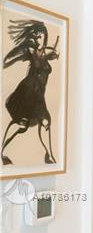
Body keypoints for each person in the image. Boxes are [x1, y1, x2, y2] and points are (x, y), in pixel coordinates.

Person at [2, 18, 60, 166]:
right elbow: (7, 60)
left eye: (40, 36)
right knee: (23, 124)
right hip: (28, 92)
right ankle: (2, 153)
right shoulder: (30, 50)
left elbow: (50, 54)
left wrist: (53, 53)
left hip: (38, 95)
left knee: (44, 122)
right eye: (35, 36)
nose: (38, 39)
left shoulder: (42, 52)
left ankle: (50, 157)